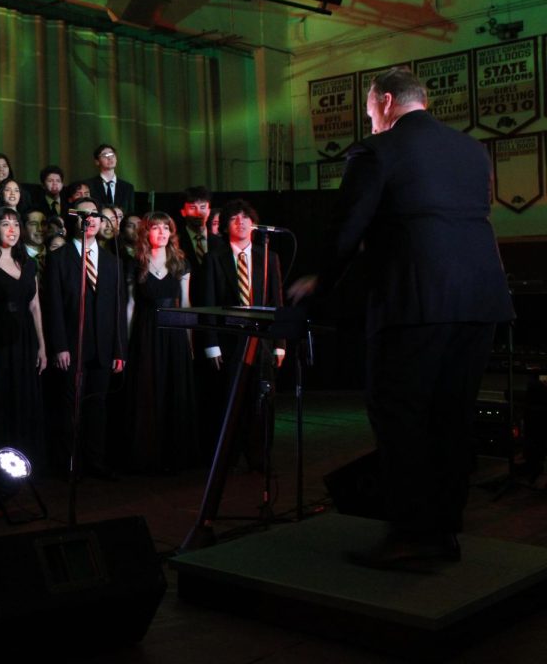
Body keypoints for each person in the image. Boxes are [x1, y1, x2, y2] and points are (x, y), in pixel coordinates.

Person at [290, 66, 514, 570]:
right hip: (480, 300)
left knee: (399, 414)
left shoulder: (378, 151)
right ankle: (443, 531)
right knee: (452, 418)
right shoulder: (471, 150)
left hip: (415, 302)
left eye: (370, 111)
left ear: (386, 101)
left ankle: (412, 534)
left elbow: (348, 227)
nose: (370, 121)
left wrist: (320, 282)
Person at [41, 196, 126, 479]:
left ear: (102, 223)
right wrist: (60, 346)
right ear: (73, 221)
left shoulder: (113, 262)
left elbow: (118, 309)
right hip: (72, 346)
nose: (89, 220)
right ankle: (68, 463)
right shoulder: (58, 258)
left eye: (95, 216)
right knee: (69, 408)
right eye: (83, 215)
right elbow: (52, 306)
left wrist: (119, 349)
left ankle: (95, 462)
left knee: (98, 407)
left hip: (103, 347)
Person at [199, 199, 285, 469]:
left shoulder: (268, 257)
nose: (241, 222)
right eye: (234, 218)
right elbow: (209, 301)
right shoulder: (216, 258)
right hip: (229, 338)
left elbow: (276, 302)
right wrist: (211, 344)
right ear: (226, 226)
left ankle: (260, 455)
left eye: (245, 217)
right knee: (230, 399)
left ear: (253, 223)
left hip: (261, 340)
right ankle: (230, 457)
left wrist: (280, 343)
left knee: (262, 398)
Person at [0, 206, 48, 467]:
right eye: (5, 224)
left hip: (25, 338)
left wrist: (42, 347)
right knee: (0, 401)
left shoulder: (29, 263)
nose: (12, 230)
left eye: (15, 224)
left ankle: (25, 461)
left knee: (25, 399)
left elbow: (35, 306)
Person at [123, 212, 197, 474]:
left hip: (174, 331)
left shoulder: (180, 263)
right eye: (156, 228)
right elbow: (131, 306)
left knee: (172, 387)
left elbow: (186, 304)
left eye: (166, 228)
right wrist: (127, 342)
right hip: (145, 332)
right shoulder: (136, 263)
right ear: (147, 233)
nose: (162, 233)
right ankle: (147, 456)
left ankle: (174, 454)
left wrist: (189, 339)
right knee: (148, 390)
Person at [85, 143, 135, 215]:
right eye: (105, 155)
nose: (110, 158)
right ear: (97, 161)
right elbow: (75, 210)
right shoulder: (89, 185)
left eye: (112, 155)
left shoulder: (128, 187)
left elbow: (130, 213)